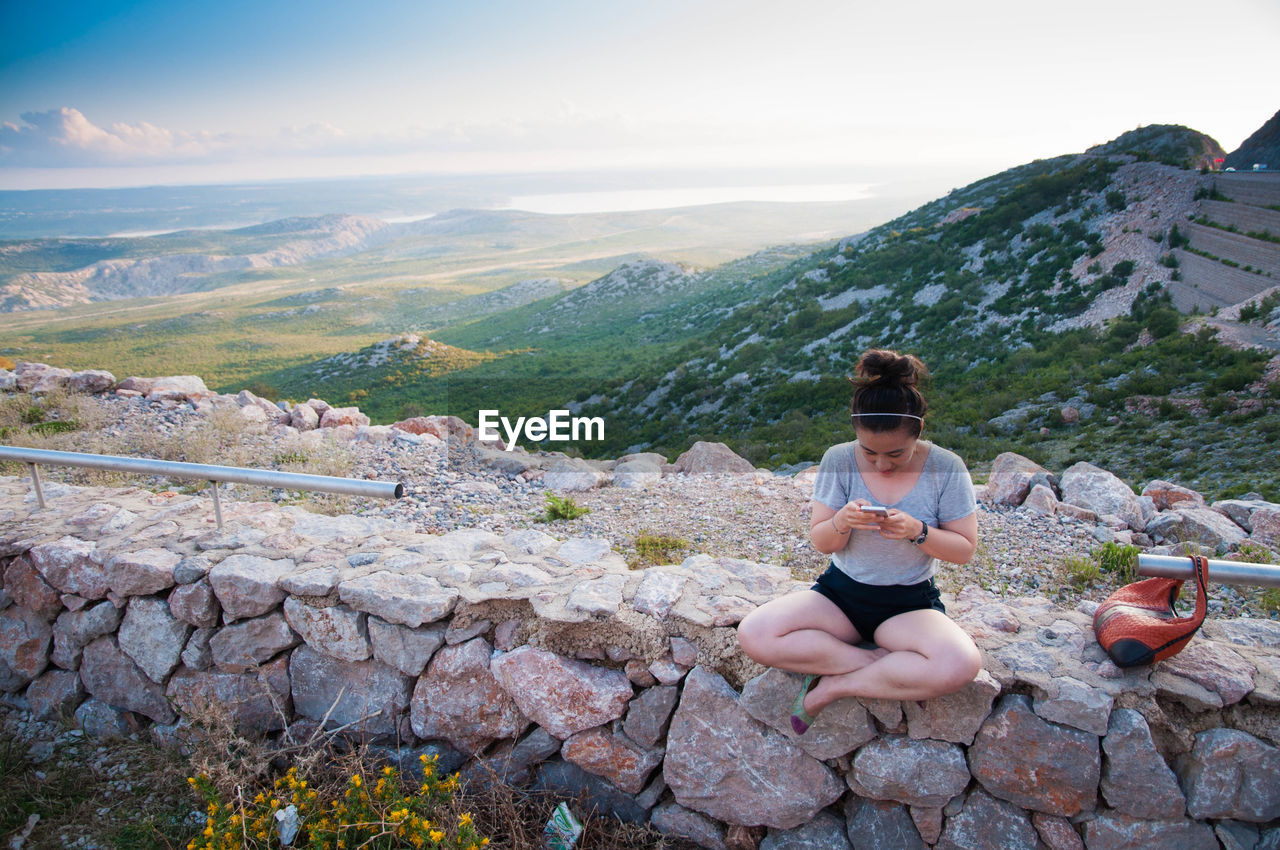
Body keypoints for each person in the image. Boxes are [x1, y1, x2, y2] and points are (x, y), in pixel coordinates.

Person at [737, 348, 981, 734]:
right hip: (841, 595)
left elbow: (964, 549)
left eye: (896, 454)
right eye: (869, 452)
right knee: (754, 634)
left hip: (908, 602)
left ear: (918, 432)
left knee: (961, 664)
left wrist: (917, 531)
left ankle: (833, 687)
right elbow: (822, 541)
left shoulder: (946, 467)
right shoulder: (839, 459)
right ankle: (874, 664)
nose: (881, 464)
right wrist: (841, 521)